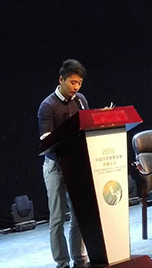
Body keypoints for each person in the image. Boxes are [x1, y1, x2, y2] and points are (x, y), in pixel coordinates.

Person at [38, 59, 90, 268]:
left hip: (76, 164)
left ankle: (80, 259)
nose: (76, 87)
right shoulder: (48, 105)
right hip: (55, 166)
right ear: (61, 80)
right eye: (72, 82)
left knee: (79, 215)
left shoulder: (81, 101)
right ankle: (62, 263)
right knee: (58, 217)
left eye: (79, 83)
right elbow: (46, 141)